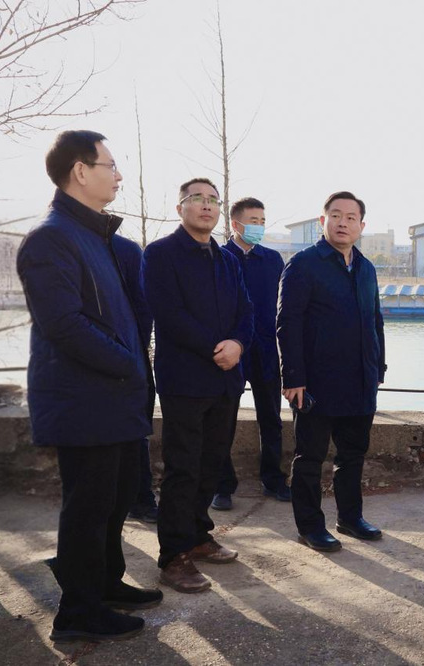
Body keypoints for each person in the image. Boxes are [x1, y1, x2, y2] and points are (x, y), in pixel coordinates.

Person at [17, 130, 161, 642]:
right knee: (88, 507)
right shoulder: (51, 238)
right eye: (110, 165)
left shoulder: (95, 237)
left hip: (114, 397)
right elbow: (63, 324)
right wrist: (128, 362)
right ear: (80, 170)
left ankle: (104, 583)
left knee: (117, 499)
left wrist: (131, 367)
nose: (118, 175)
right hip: (84, 400)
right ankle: (77, 612)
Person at [143, 178, 253, 592]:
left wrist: (238, 343)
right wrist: (215, 348)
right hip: (185, 380)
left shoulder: (227, 259)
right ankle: (173, 555)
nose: (206, 206)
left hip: (226, 379)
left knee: (212, 463)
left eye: (213, 200)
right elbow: (168, 313)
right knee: (183, 468)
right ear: (180, 208)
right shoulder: (160, 254)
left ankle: (197, 535)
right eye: (197, 199)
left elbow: (247, 310)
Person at [277, 191, 386, 553]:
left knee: (352, 455)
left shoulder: (366, 268)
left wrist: (378, 367)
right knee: (310, 458)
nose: (343, 223)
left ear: (361, 226)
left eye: (351, 217)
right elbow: (287, 322)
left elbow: (375, 321)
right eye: (336, 216)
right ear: (322, 221)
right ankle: (310, 526)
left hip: (361, 380)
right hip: (316, 382)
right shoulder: (304, 264)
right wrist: (293, 377)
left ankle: (350, 518)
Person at [211, 197, 291, 511]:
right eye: (253, 221)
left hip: (267, 350)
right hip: (231, 350)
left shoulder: (272, 260)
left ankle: (273, 479)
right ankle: (222, 486)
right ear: (235, 224)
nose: (258, 226)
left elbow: (284, 306)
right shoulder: (218, 257)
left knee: (271, 418)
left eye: (262, 221)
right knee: (223, 420)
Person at [115, 234, 160, 526]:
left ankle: (141, 500)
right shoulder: (64, 243)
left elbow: (144, 308)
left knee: (136, 436)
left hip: (131, 362)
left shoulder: (127, 250)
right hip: (88, 368)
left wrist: (133, 351)